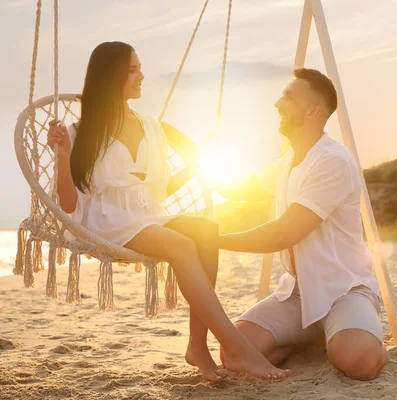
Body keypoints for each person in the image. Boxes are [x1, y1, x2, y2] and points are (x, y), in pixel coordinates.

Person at [47, 41, 289, 383]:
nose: (141, 75)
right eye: (133, 69)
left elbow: (186, 161)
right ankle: (235, 346)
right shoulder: (78, 131)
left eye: (139, 67)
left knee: (205, 230)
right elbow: (69, 205)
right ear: (110, 75)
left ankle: (198, 347)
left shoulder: (150, 125)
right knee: (181, 245)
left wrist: (199, 175)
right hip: (108, 220)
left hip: (147, 214)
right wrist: (61, 153)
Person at [217, 68, 388, 381]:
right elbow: (242, 188)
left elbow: (285, 232)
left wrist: (214, 239)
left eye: (287, 97)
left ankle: (350, 333)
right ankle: (312, 336)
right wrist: (197, 167)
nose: (277, 103)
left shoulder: (332, 160)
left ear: (313, 110)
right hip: (298, 292)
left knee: (358, 361)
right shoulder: (288, 161)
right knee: (234, 352)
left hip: (344, 288)